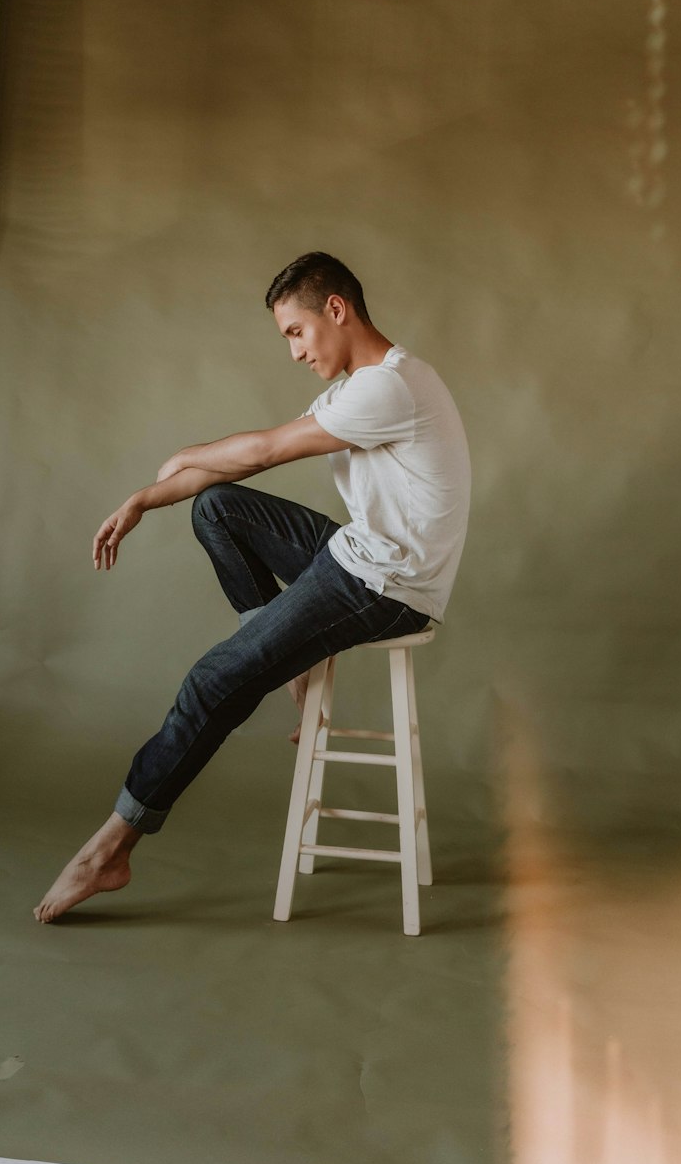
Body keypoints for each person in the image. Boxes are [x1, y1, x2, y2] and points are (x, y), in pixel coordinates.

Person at [34, 252, 471, 923]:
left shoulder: (391, 386)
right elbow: (223, 475)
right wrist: (145, 499)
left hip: (387, 584)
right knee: (218, 508)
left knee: (213, 681)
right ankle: (284, 648)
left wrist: (183, 455)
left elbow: (263, 450)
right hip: (362, 555)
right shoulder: (357, 387)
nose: (293, 351)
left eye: (295, 332)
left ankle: (111, 851)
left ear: (336, 310)